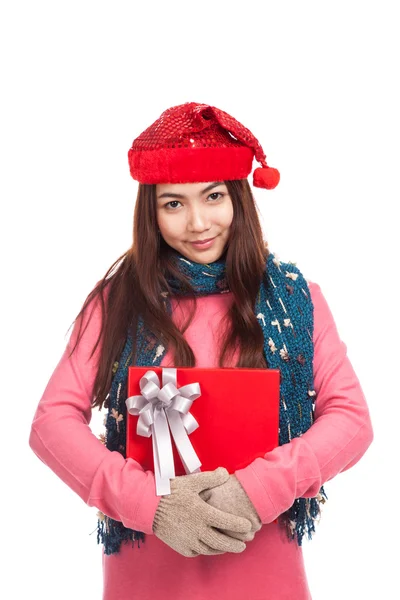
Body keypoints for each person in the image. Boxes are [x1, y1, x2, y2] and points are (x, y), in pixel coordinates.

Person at [29, 101, 374, 600]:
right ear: (151, 212)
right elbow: (51, 424)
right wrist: (152, 504)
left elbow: (352, 420)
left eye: (213, 197)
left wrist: (258, 490)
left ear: (238, 197)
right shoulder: (117, 302)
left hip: (266, 574)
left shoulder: (296, 298)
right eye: (174, 203)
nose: (197, 222)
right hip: (146, 577)